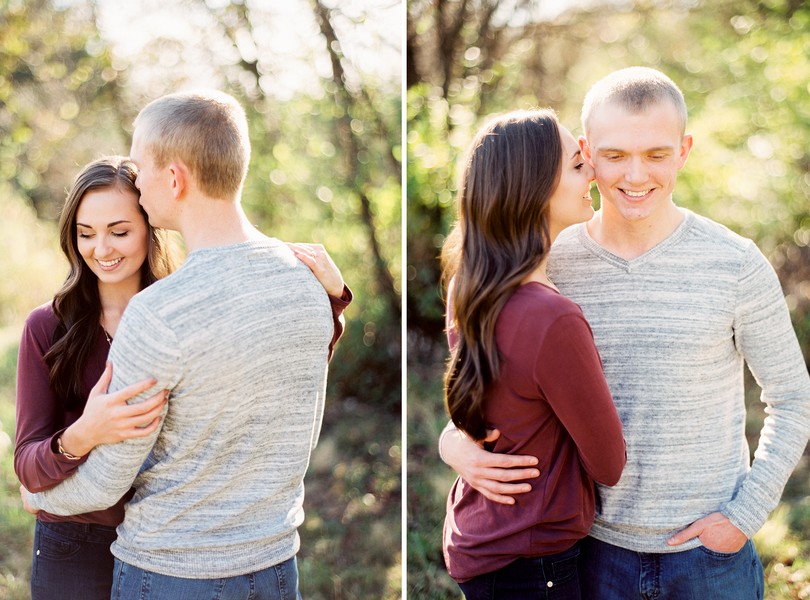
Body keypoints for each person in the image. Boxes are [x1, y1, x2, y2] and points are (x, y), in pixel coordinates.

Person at [440, 67, 810, 599]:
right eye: (614, 156)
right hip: (589, 556)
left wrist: (743, 517)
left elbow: (792, 399)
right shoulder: (547, 266)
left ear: (684, 150)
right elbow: (483, 380)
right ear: (586, 156)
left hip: (708, 560)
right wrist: (454, 442)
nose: (635, 177)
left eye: (656, 155)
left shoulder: (734, 264)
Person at [20, 90, 352, 600]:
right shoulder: (307, 281)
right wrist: (332, 302)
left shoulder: (159, 313)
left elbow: (108, 481)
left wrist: (36, 494)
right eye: (88, 233)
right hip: (275, 567)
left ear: (173, 179)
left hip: (172, 570)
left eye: (141, 167)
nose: (137, 178)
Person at [441, 109, 626, 599]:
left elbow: (492, 409)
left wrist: (451, 442)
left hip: (481, 541)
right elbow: (609, 463)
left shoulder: (468, 286)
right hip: (531, 563)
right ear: (535, 187)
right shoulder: (552, 319)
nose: (593, 172)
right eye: (576, 164)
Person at [14, 156, 176, 600]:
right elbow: (27, 465)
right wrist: (83, 435)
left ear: (150, 227)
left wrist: (330, 305)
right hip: (75, 544)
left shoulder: (182, 316)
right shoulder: (46, 327)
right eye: (86, 234)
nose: (101, 249)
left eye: (119, 231)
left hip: (170, 543)